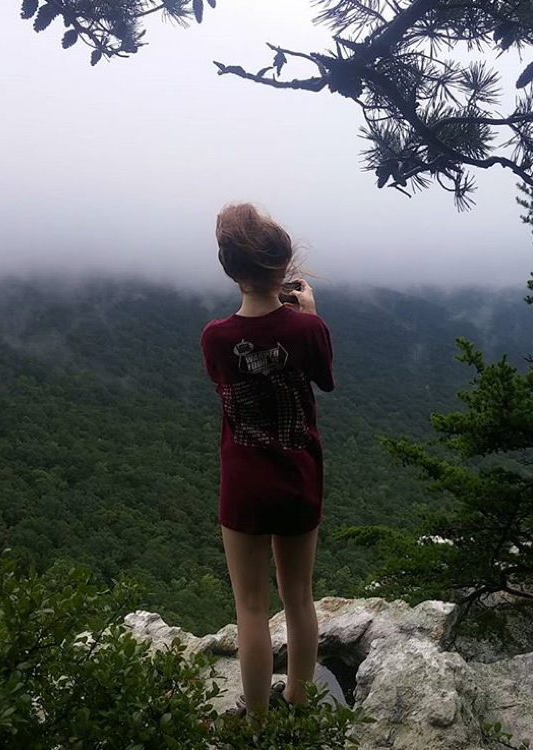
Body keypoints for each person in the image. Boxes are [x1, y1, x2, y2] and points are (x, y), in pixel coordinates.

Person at [200, 203, 335, 723]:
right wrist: (309, 316)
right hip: (299, 477)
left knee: (251, 608)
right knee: (299, 599)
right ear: (284, 269)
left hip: (244, 484)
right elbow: (325, 379)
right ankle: (299, 703)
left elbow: (223, 382)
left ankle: (256, 722)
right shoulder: (307, 330)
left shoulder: (216, 337)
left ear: (230, 269)